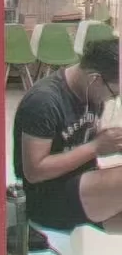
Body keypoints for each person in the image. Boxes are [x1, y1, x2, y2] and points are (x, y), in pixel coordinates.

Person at [13, 38, 122, 232]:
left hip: (82, 185)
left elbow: (82, 136)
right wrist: (96, 147)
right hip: (46, 199)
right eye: (113, 93)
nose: (112, 99)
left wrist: (111, 142)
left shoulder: (90, 91)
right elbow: (34, 172)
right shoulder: (44, 101)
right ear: (95, 78)